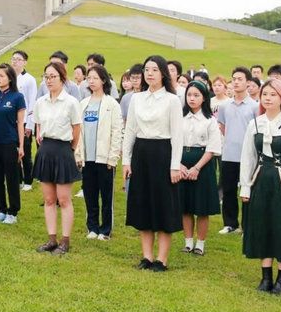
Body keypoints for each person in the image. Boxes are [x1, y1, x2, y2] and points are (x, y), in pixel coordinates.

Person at [240, 78, 281, 295]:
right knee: (263, 225)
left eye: (273, 94)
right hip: (261, 180)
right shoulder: (255, 124)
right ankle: (266, 276)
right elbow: (248, 157)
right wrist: (245, 187)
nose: (268, 98)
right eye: (265, 94)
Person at [124, 55, 183, 271]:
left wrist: (175, 165)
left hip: (163, 153)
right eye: (147, 69)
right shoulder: (136, 98)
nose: (149, 73)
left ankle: (161, 259)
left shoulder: (172, 100)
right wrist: (126, 160)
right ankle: (147, 257)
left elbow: (178, 135)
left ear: (163, 73)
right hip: (141, 153)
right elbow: (130, 129)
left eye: (154, 70)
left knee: (163, 205)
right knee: (143, 204)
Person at [31, 60, 82, 252]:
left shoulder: (71, 102)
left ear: (62, 78)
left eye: (53, 76)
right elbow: (38, 126)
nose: (49, 80)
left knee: (64, 199)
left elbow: (76, 130)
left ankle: (65, 241)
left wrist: (70, 149)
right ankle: (51, 239)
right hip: (46, 149)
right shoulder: (40, 102)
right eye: (46, 77)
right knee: (49, 199)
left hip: (63, 150)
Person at [77, 64, 122, 240]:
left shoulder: (112, 104)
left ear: (103, 80)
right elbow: (78, 132)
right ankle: (92, 227)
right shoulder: (83, 104)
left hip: (105, 158)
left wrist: (113, 157)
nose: (91, 81)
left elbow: (117, 132)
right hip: (87, 157)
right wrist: (78, 155)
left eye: (95, 78)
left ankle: (105, 230)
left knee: (106, 196)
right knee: (90, 194)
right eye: (89, 78)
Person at [179, 80, 222, 255]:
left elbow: (212, 148)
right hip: (182, 162)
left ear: (204, 98)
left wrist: (196, 168)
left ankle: (200, 244)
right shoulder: (179, 118)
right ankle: (188, 242)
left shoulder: (210, 121)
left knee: (202, 208)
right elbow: (172, 143)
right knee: (185, 206)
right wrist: (179, 165)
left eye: (196, 95)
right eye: (189, 95)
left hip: (203, 164)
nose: (192, 98)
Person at [217, 66, 259, 234]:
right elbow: (222, 126)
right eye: (234, 79)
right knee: (228, 190)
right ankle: (230, 223)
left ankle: (247, 225)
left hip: (249, 155)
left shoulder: (255, 106)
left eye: (240, 79)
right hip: (229, 154)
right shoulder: (224, 106)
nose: (235, 82)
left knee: (248, 191)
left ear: (248, 82)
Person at [0, 63, 26, 224]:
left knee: (12, 179)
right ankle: (1, 209)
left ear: (10, 78)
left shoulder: (17, 97)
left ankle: (12, 212)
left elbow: (20, 123)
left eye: (1, 76)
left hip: (9, 143)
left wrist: (21, 145)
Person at [11, 50, 37, 192]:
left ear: (24, 62)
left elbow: (32, 103)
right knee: (13, 151)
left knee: (25, 151)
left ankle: (28, 180)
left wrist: (30, 125)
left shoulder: (29, 79)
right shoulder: (9, 77)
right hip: (11, 121)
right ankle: (18, 179)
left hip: (25, 121)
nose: (15, 61)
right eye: (13, 59)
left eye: (18, 59)